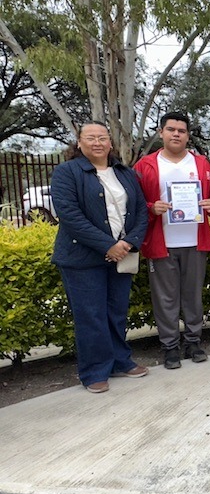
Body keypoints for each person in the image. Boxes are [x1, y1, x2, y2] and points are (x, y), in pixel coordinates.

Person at [50, 121, 149, 393]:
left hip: (122, 255)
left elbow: (141, 211)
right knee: (90, 316)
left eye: (102, 138)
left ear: (110, 142)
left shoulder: (124, 172)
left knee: (116, 313)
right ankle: (94, 371)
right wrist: (108, 245)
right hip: (82, 259)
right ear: (79, 143)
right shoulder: (67, 172)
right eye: (91, 138)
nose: (97, 143)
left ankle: (120, 361)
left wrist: (129, 242)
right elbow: (70, 216)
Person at [134, 112, 210, 370]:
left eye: (181, 130)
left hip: (195, 241)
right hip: (162, 242)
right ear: (161, 133)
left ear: (188, 135)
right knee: (165, 299)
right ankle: (170, 346)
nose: (176, 134)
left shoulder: (202, 164)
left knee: (193, 296)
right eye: (171, 129)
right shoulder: (146, 165)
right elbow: (134, 203)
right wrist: (151, 207)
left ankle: (193, 342)